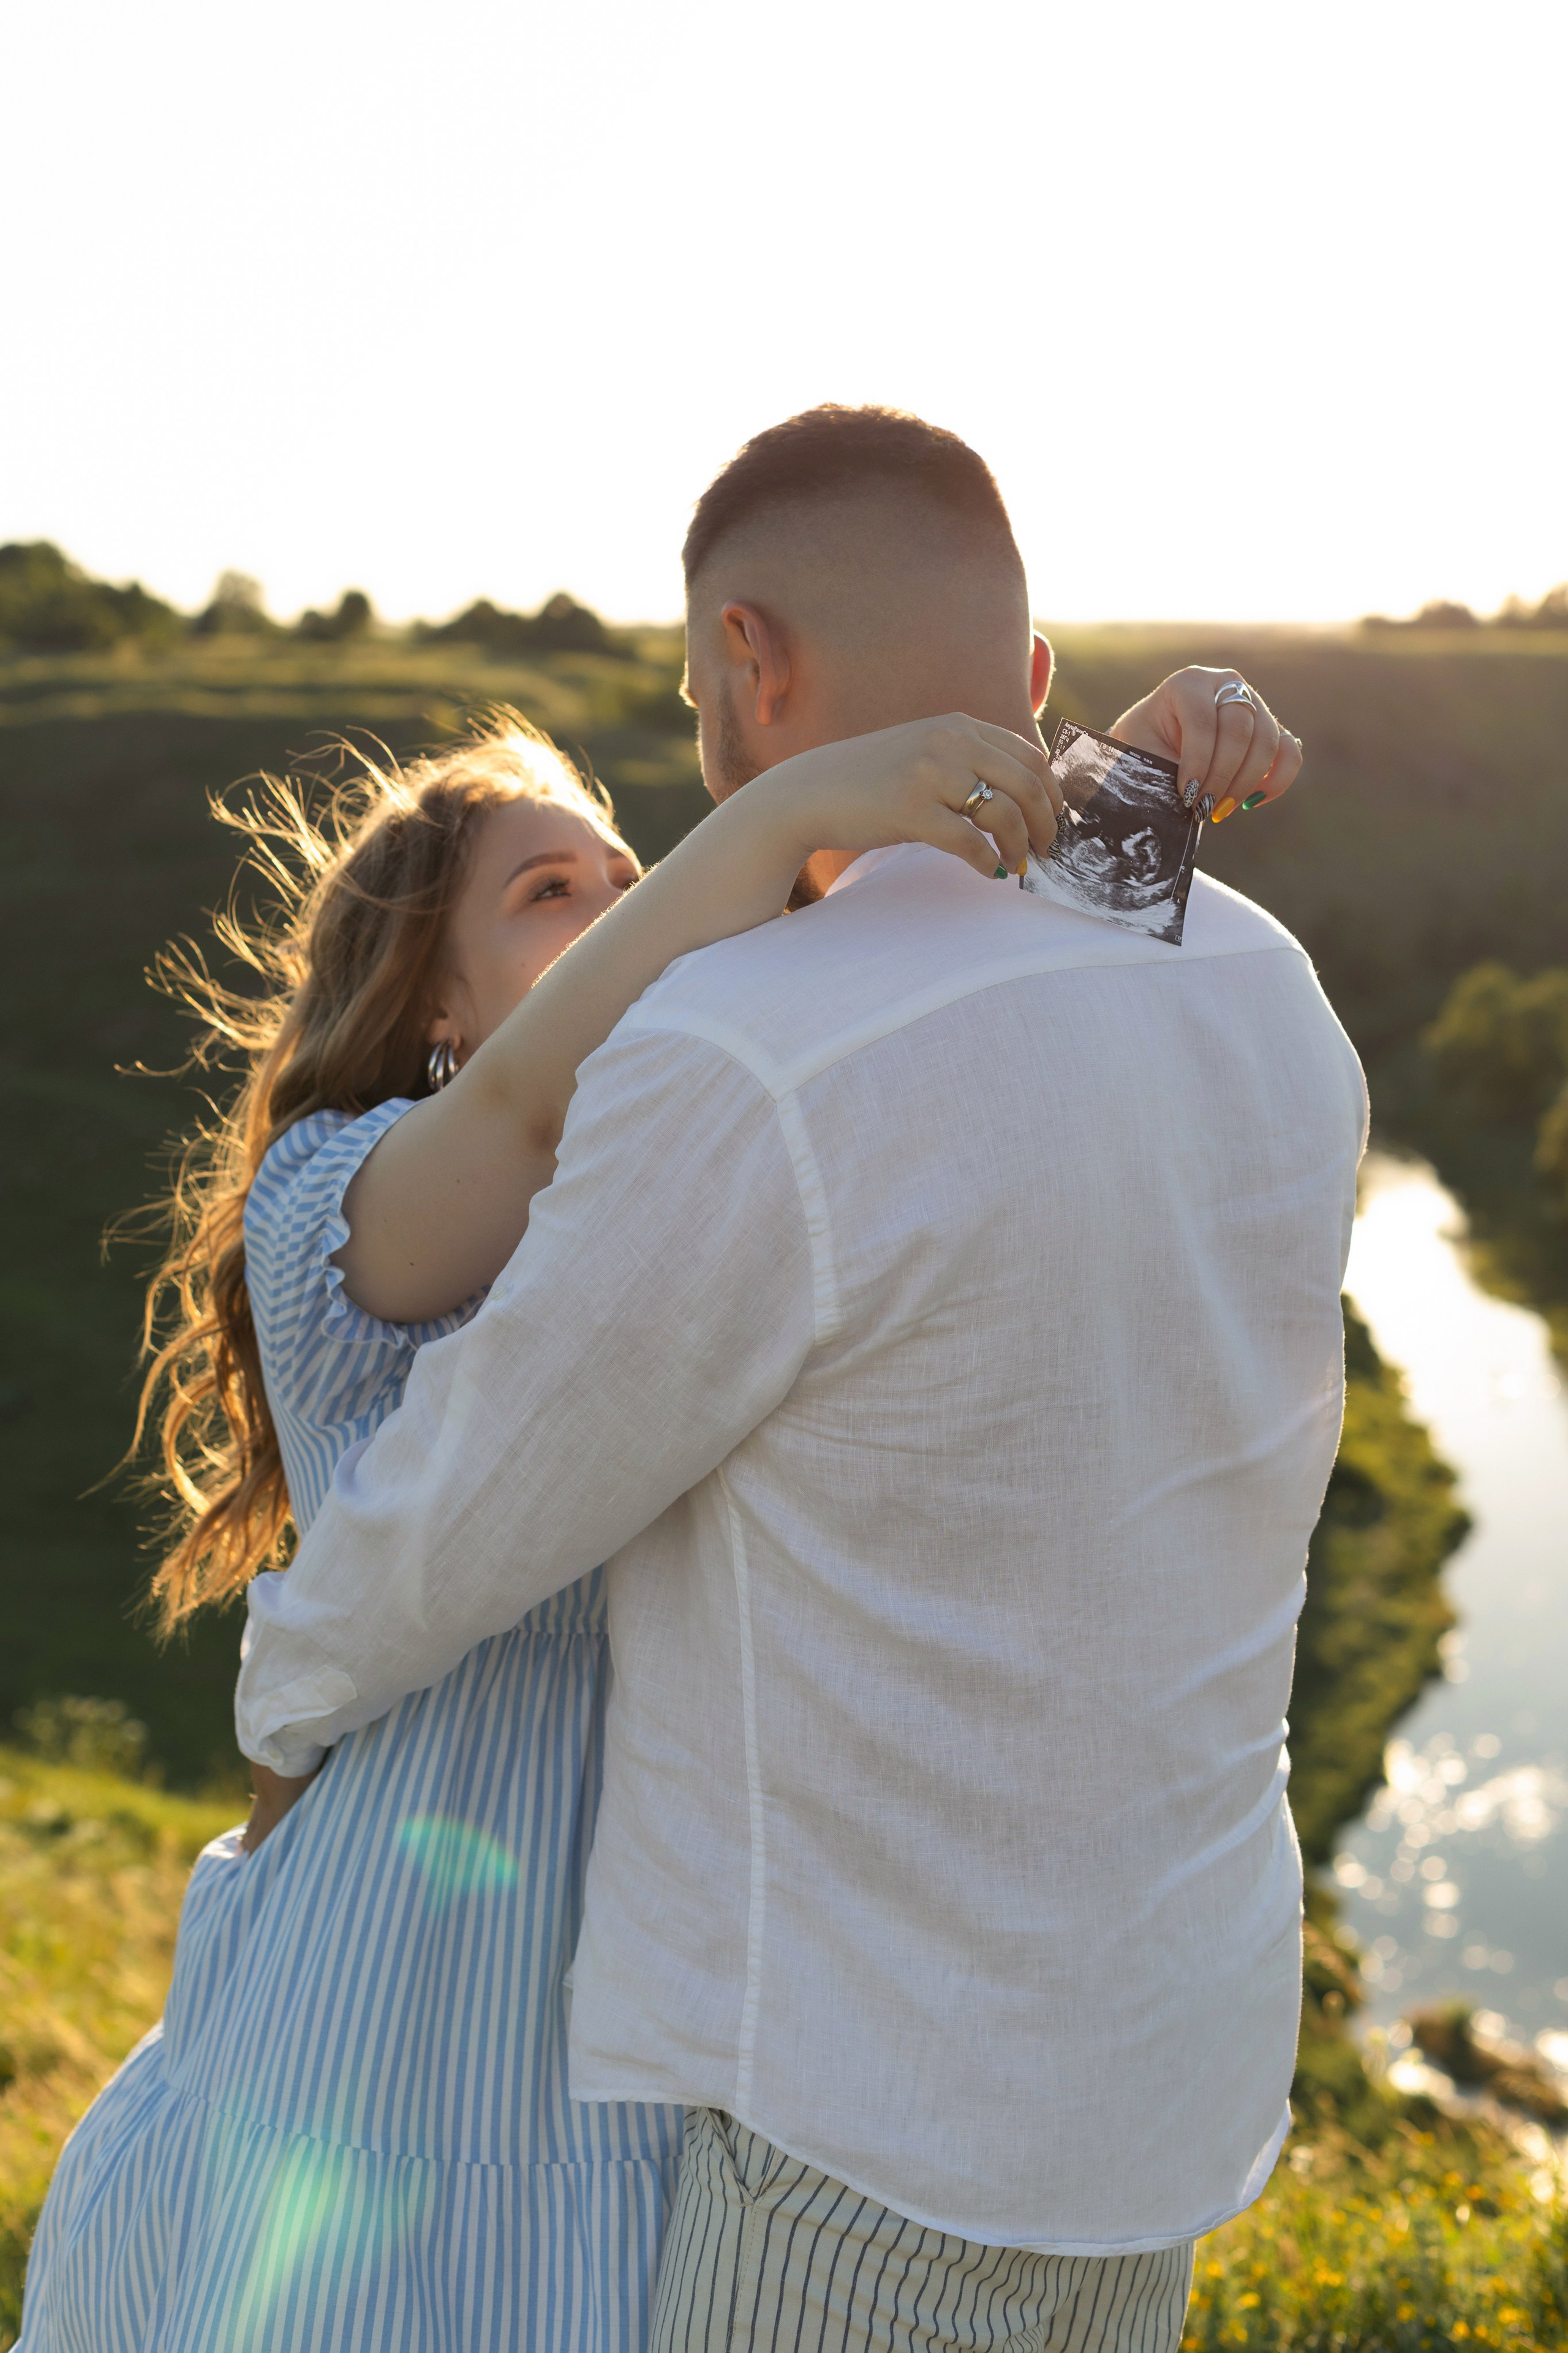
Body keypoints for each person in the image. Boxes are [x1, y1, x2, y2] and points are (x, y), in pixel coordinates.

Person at [232, 405, 1360, 2353]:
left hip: (868, 2114)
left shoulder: (755, 1048)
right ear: (1028, 678)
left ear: (751, 663)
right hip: (1167, 2089)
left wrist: (284, 1689)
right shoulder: (1265, 984)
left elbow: (484, 1492)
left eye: (692, 697)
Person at [15, 707, 1066, 2353]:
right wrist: (786, 808)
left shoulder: (689, 1199)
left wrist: (1143, 763)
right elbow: (517, 1108)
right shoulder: (337, 1194)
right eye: (550, 892)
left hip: (634, 2009)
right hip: (392, 1990)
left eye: (629, 874)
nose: (625, 902)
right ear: (434, 1002)